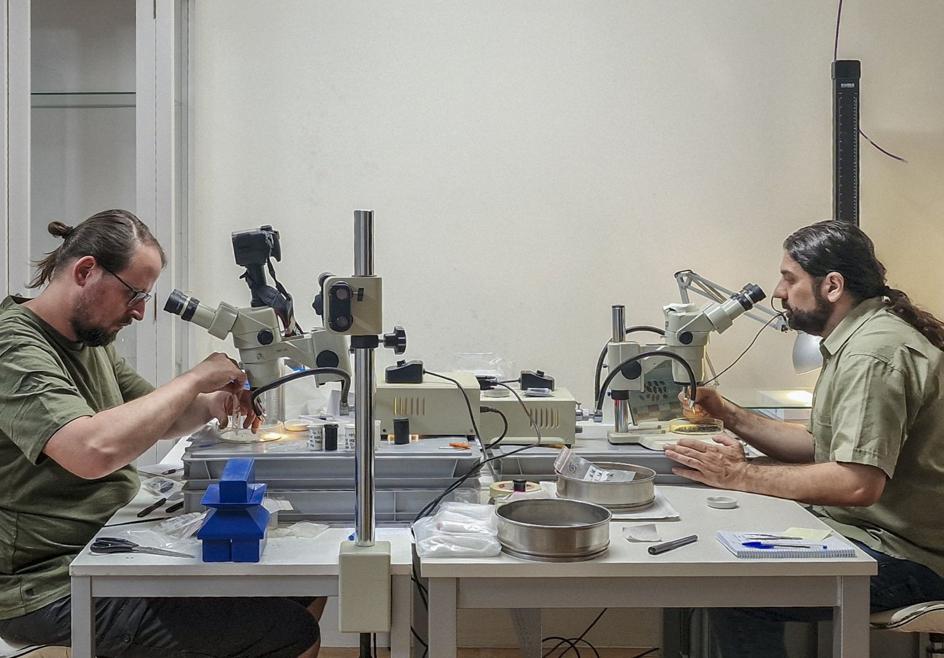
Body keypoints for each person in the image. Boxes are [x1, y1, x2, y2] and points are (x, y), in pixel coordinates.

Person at [0, 210, 322, 657]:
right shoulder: (14, 347)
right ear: (86, 271)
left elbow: (162, 417)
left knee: (300, 587)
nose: (138, 311)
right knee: (287, 630)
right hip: (49, 582)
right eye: (134, 293)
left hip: (113, 543)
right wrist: (192, 378)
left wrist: (216, 402)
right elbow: (91, 451)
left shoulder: (89, 340)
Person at [664, 220, 944, 657]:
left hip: (909, 560)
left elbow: (856, 482)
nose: (778, 291)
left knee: (738, 589)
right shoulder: (857, 340)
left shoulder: (875, 352)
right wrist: (728, 413)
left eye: (789, 278)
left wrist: (740, 475)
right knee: (722, 545)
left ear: (832, 285)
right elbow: (820, 446)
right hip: (870, 536)